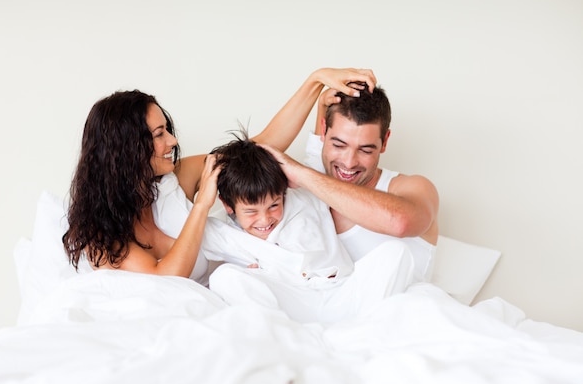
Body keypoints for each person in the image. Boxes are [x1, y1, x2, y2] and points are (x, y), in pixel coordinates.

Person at [62, 68, 378, 283]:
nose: (172, 142)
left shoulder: (172, 181)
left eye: (167, 131)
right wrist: (201, 206)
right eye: (159, 135)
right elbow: (164, 280)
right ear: (126, 150)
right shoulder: (100, 234)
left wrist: (316, 80)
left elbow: (260, 148)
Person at [202, 133, 415, 323]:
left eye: (274, 205)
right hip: (295, 303)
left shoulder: (306, 195)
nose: (265, 219)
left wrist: (319, 94)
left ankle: (361, 329)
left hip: (340, 292)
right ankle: (288, 336)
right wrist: (202, 202)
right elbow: (182, 233)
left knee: (397, 252)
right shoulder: (221, 232)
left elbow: (316, 149)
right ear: (228, 205)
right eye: (251, 212)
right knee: (224, 276)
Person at [262, 83, 439, 286]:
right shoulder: (301, 197)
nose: (349, 163)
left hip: (395, 314)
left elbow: (400, 222)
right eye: (338, 145)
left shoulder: (412, 188)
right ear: (324, 132)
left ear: (385, 141)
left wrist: (301, 174)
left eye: (365, 150)